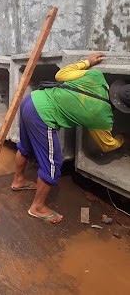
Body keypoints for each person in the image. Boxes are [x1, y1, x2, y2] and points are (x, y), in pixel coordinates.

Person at [11, 52, 130, 224]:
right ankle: (37, 207)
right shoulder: (102, 117)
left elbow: (60, 75)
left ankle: (19, 180)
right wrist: (123, 139)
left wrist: (86, 62)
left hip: (32, 99)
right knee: (53, 163)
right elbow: (107, 145)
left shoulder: (96, 76)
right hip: (41, 115)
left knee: (26, 146)